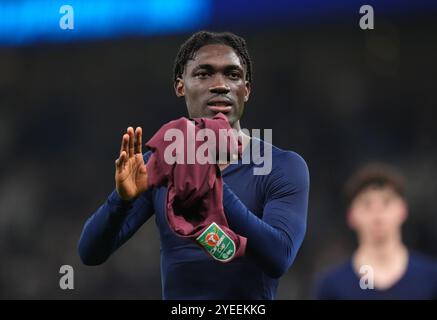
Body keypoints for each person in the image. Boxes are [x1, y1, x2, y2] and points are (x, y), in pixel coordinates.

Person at [78, 31, 310, 299]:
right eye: (204, 74)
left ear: (246, 90)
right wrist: (121, 200)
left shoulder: (280, 165)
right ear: (180, 85)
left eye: (232, 75)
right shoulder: (160, 164)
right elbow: (90, 253)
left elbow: (278, 257)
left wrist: (210, 183)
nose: (220, 85)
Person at [315, 163, 437, 299]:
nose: (377, 212)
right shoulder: (333, 287)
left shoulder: (431, 279)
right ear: (351, 215)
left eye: (386, 202)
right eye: (367, 204)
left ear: (403, 210)